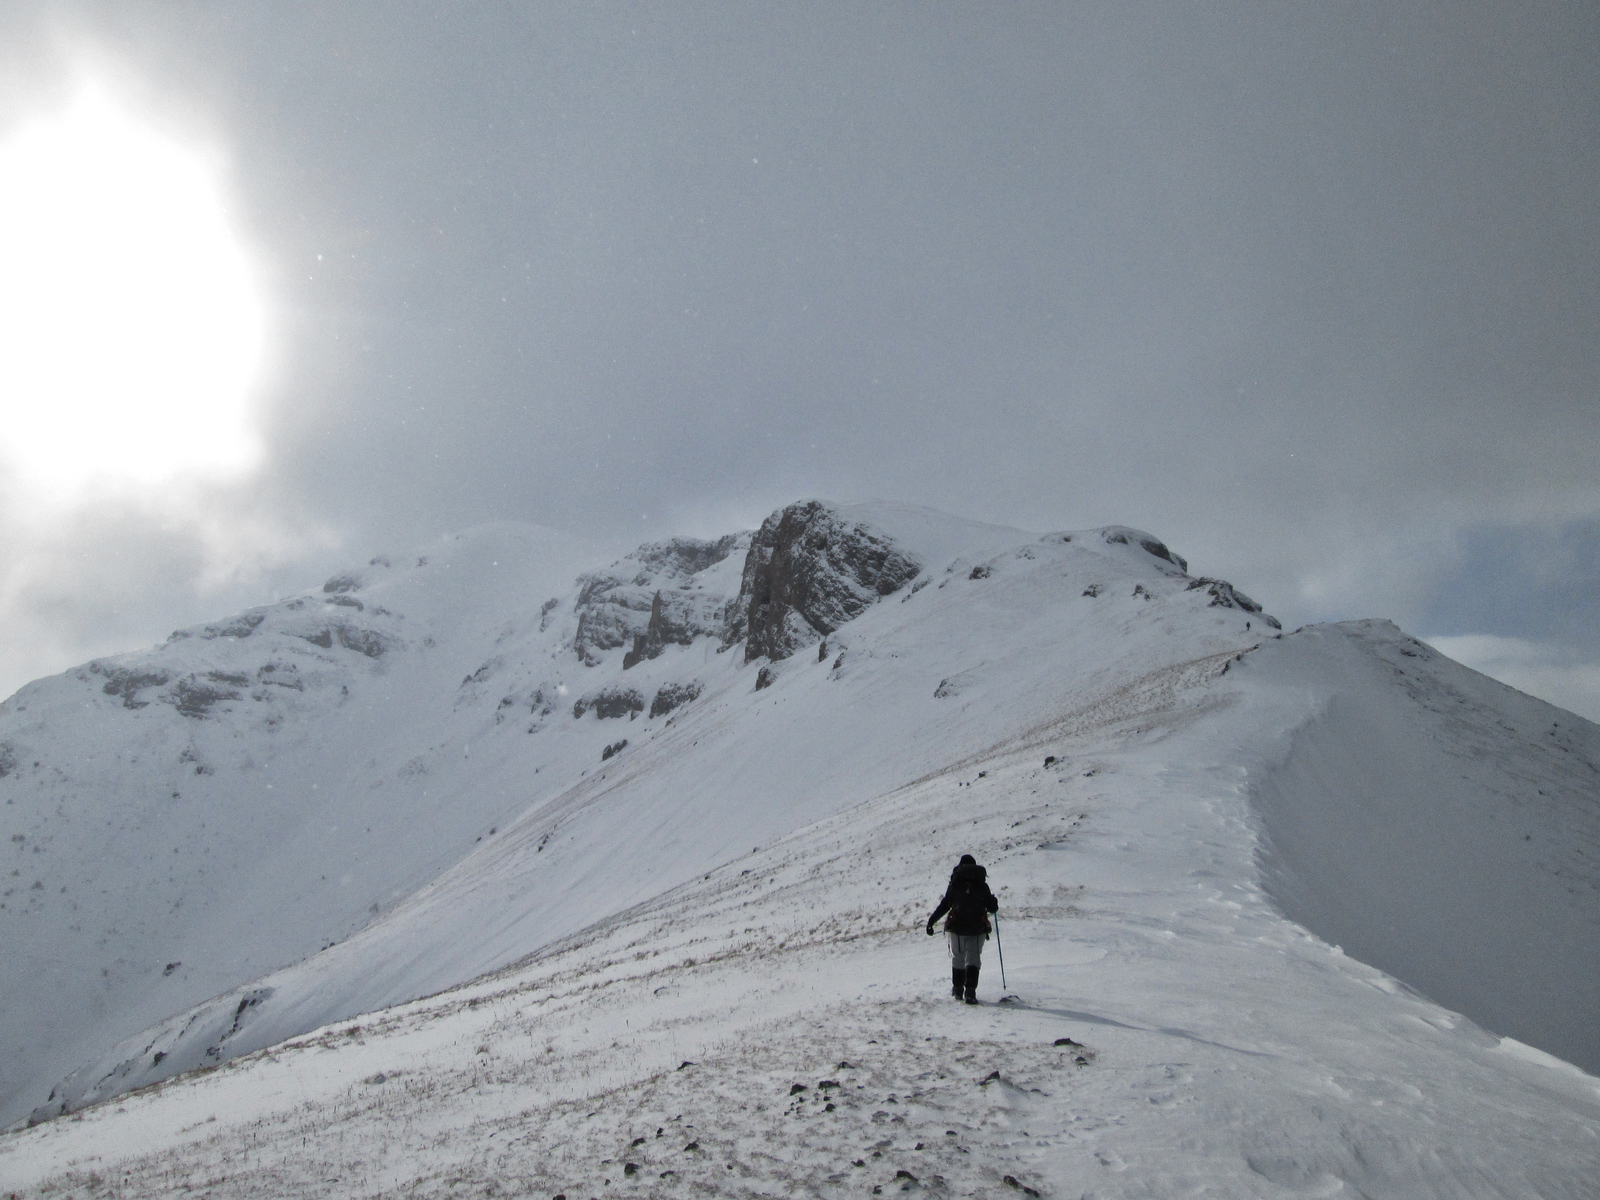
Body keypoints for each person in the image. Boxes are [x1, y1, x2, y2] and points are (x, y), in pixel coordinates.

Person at [926, 854, 998, 1004]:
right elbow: (992, 907)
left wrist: (931, 922)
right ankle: (970, 992)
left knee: (958, 957)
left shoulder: (956, 884)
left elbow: (945, 905)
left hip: (957, 927)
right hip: (977, 928)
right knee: (973, 958)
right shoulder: (982, 884)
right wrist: (994, 901)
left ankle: (958, 989)